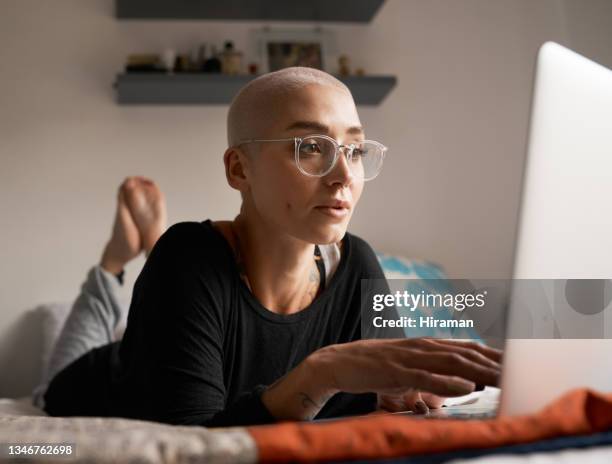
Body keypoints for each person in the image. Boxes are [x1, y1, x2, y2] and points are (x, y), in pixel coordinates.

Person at [39, 67, 501, 426]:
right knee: (54, 382)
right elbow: (188, 443)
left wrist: (409, 391)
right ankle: (116, 260)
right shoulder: (186, 258)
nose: (344, 176)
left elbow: (390, 389)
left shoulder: (357, 261)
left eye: (355, 151)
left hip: (179, 321)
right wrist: (320, 372)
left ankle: (142, 253)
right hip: (98, 381)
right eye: (311, 146)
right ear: (239, 170)